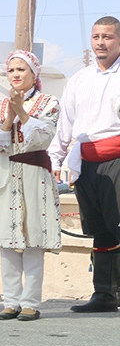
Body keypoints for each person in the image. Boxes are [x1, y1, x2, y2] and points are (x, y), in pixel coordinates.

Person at [0, 51, 61, 321]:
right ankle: (10, 301)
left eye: (21, 69)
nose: (15, 74)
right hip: (6, 172)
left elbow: (43, 138)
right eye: (11, 70)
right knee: (7, 239)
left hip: (34, 173)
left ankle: (30, 302)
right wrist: (8, 115)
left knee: (33, 237)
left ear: (34, 74)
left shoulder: (49, 102)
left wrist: (21, 111)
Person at [49, 16, 120, 313]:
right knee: (100, 228)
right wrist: (54, 157)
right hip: (85, 163)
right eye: (95, 37)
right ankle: (103, 294)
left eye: (107, 37)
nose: (100, 42)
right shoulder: (79, 79)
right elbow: (66, 123)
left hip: (116, 158)